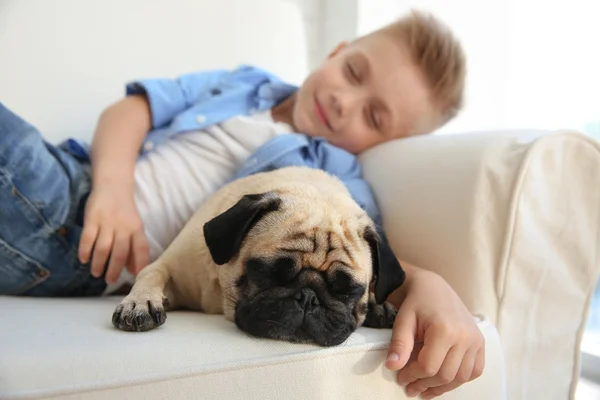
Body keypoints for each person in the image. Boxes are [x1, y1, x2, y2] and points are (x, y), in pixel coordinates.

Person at [0, 10, 483, 399]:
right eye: (353, 73)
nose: (343, 103)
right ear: (336, 52)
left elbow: (359, 257)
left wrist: (427, 283)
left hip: (80, 240)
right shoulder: (245, 84)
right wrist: (112, 191)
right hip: (85, 186)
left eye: (373, 117)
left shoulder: (334, 183)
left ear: (386, 143)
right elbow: (132, 110)